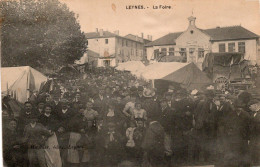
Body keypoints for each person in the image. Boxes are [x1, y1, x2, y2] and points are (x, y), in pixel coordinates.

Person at [248, 99, 260, 166]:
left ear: (255, 105)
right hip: (253, 138)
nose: (249, 107)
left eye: (250, 106)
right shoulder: (252, 114)